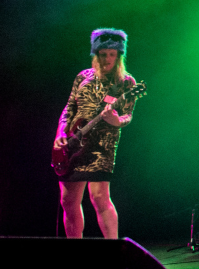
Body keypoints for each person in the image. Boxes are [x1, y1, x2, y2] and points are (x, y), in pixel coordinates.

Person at [54, 28, 138, 239]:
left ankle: (114, 250)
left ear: (119, 56)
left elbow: (128, 114)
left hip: (102, 145)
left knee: (100, 197)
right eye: (103, 54)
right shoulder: (83, 76)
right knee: (68, 201)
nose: (108, 58)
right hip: (73, 143)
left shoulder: (126, 82)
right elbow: (68, 108)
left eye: (112, 54)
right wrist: (60, 134)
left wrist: (117, 120)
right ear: (96, 54)